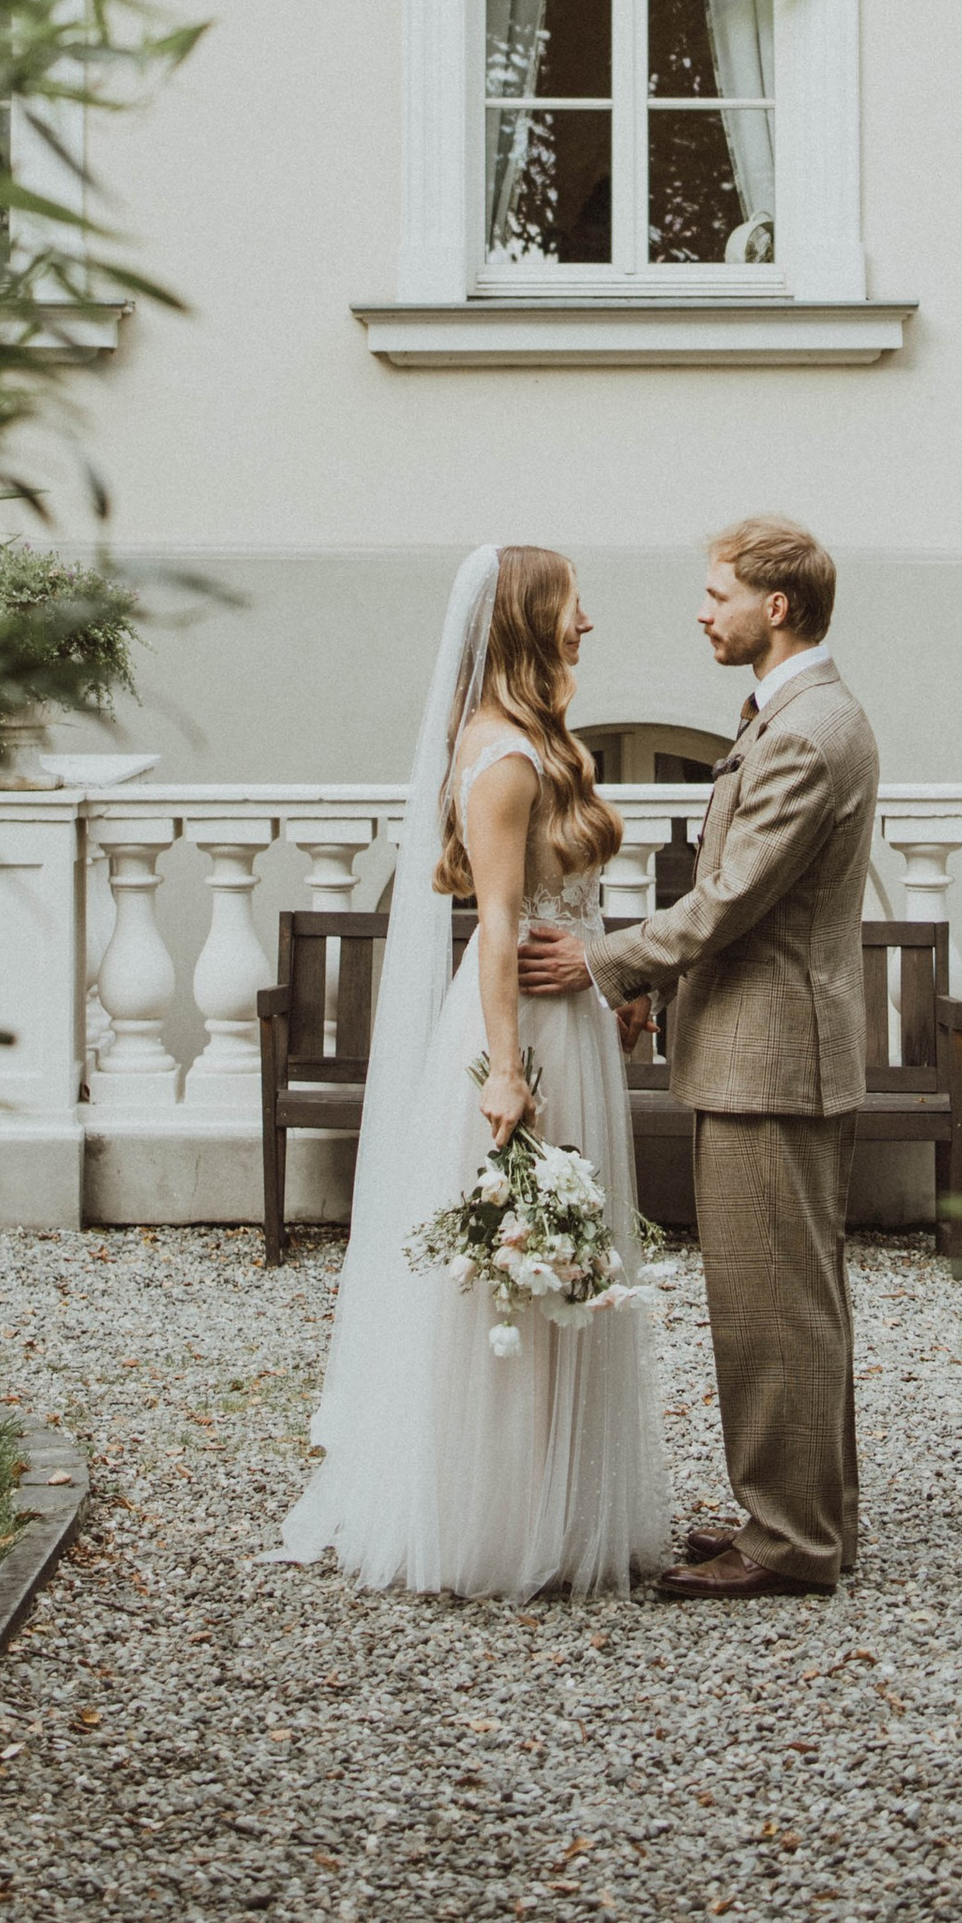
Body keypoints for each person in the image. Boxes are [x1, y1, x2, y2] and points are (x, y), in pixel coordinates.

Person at [280, 542, 669, 1599]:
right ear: (528, 620)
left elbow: (567, 906)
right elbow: (494, 925)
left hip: (575, 1023)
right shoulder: (499, 757)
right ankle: (495, 1519)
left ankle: (563, 1497)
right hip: (520, 1035)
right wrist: (504, 1074)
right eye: (575, 608)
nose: (588, 624)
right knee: (512, 1272)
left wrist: (614, 985)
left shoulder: (549, 740)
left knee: (573, 1267)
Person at [519, 513, 876, 1600]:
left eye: (716, 593)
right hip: (753, 1049)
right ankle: (799, 1519)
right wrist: (652, 986)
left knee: (775, 1309)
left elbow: (730, 900)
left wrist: (602, 963)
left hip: (774, 1062)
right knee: (776, 1304)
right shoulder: (787, 715)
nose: (700, 609)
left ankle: (793, 1544)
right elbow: (740, 904)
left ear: (776, 607)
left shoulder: (810, 731)